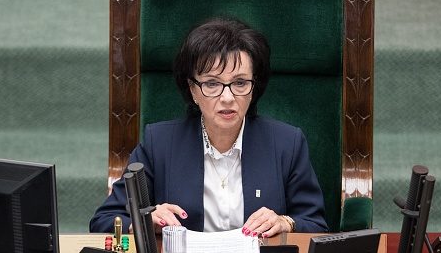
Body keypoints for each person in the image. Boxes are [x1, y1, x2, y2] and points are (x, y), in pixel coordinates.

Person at [89, 17, 327, 236]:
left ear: (254, 87)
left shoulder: (287, 143)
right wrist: (143, 222)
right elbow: (104, 220)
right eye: (212, 83)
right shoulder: (159, 143)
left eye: (240, 83)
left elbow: (316, 224)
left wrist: (286, 222)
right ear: (193, 89)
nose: (227, 97)